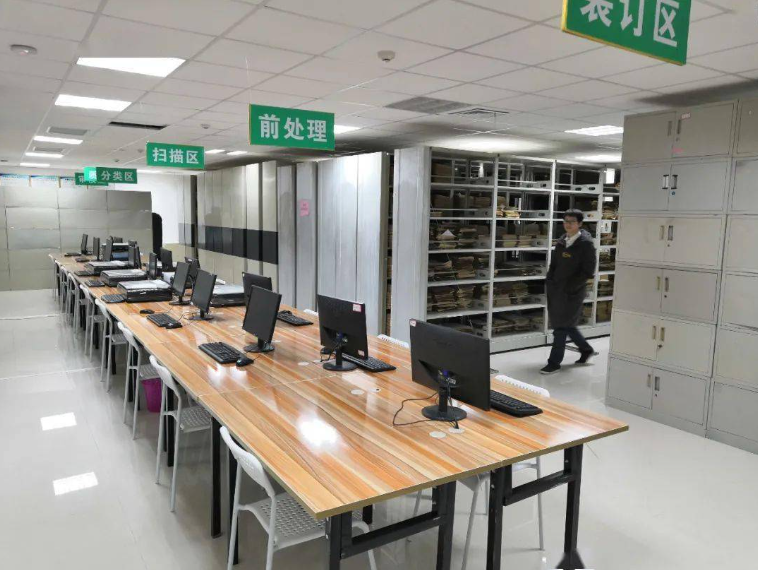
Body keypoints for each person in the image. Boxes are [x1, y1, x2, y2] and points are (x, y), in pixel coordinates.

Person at [542, 209, 596, 374]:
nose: (568, 224)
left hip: (573, 292)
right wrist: (550, 281)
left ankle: (554, 362)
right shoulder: (561, 241)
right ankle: (586, 349)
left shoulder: (585, 244)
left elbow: (588, 271)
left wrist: (571, 287)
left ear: (579, 224)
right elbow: (554, 264)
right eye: (566, 221)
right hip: (557, 289)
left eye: (572, 222)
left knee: (560, 328)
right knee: (567, 325)